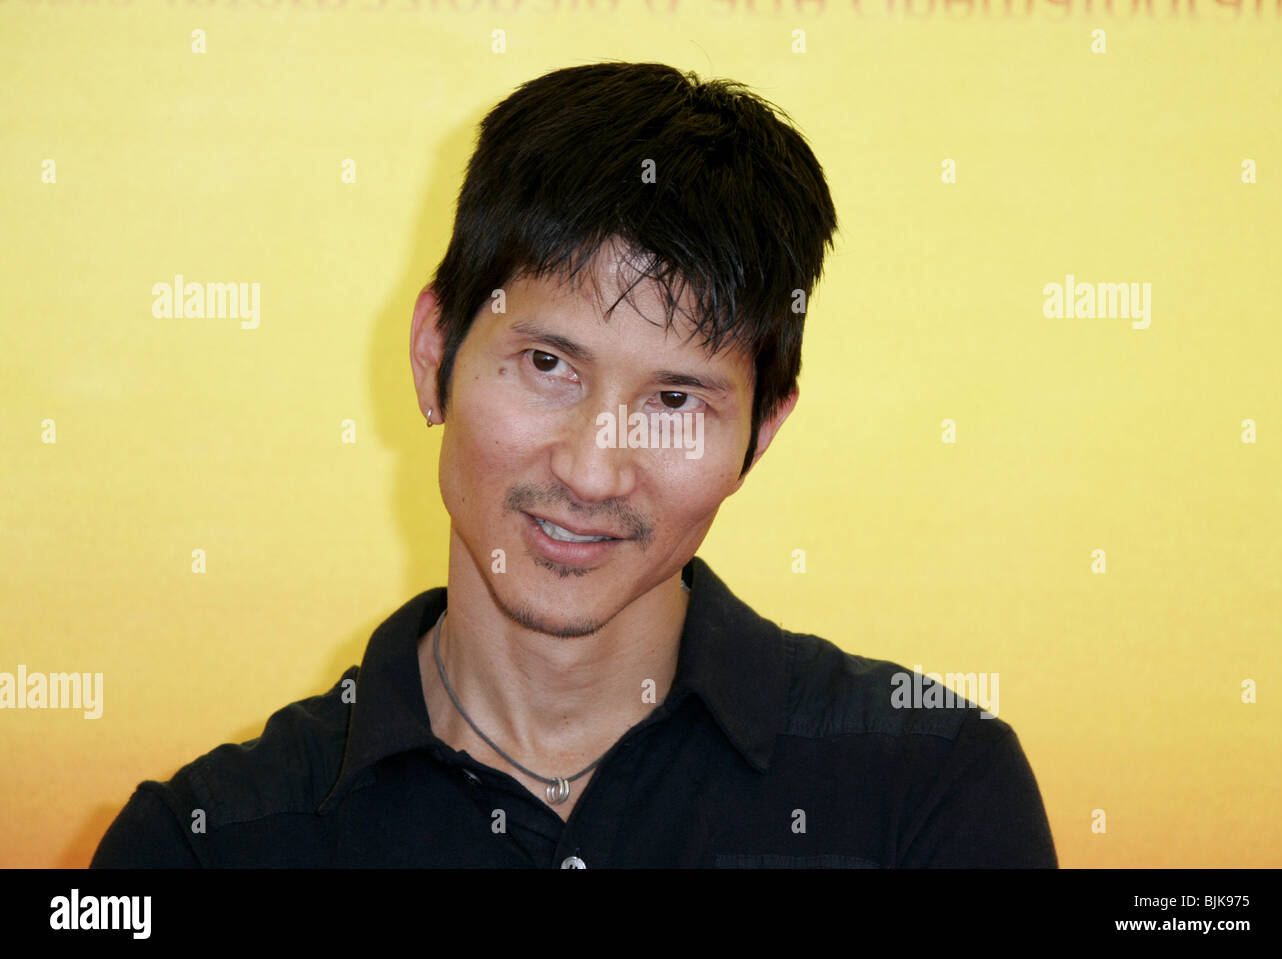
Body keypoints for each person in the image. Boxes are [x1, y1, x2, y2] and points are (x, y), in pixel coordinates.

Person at [92, 61, 1056, 868]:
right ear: (435, 353)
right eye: (547, 365)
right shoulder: (204, 846)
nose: (595, 472)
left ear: (759, 436)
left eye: (676, 401)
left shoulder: (932, 794)